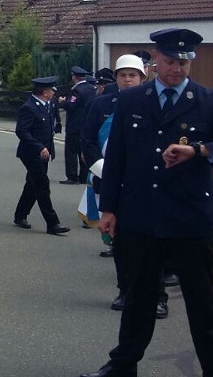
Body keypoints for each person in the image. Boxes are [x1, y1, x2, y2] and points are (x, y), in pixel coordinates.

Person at [81, 28, 213, 377]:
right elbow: (117, 157)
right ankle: (122, 365)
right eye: (170, 61)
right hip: (141, 213)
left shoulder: (208, 100)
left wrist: (199, 150)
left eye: (184, 63)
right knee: (138, 298)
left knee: (202, 302)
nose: (177, 69)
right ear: (155, 59)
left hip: (190, 216)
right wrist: (108, 208)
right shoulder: (131, 100)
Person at [80, 54, 170, 318]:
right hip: (111, 181)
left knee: (154, 241)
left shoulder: (156, 103)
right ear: (116, 78)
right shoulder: (99, 105)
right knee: (120, 241)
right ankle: (126, 291)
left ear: (143, 77)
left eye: (133, 75)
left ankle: (158, 296)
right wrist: (105, 171)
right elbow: (87, 141)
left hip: (147, 183)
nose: (128, 80)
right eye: (123, 75)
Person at [13, 76, 71, 235]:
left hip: (43, 152)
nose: (53, 92)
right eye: (52, 90)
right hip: (31, 153)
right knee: (42, 185)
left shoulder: (47, 104)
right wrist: (39, 147)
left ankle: (20, 215)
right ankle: (53, 223)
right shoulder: (29, 107)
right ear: (45, 92)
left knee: (32, 184)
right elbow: (21, 131)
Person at [58, 65, 97, 184]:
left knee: (71, 152)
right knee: (82, 151)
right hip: (86, 124)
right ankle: (84, 176)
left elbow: (71, 106)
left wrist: (62, 102)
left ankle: (72, 176)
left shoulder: (77, 90)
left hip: (75, 125)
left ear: (74, 77)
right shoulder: (91, 88)